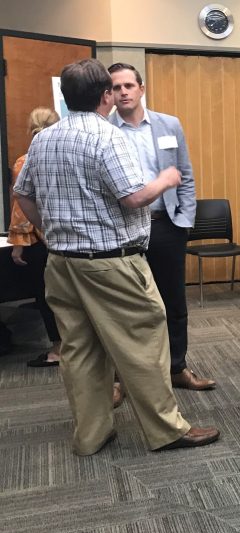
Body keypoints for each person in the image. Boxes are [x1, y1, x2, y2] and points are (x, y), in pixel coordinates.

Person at [12, 59, 219, 455]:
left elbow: (23, 193)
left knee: (79, 349)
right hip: (112, 262)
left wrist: (52, 230)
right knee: (143, 342)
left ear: (66, 97)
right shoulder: (108, 138)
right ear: (106, 95)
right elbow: (133, 197)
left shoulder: (44, 139)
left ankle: (92, 434)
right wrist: (166, 179)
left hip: (61, 263)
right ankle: (166, 430)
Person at [108, 62, 216, 391]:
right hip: (124, 229)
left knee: (172, 302)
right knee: (124, 306)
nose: (123, 92)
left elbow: (185, 172)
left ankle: (176, 368)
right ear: (109, 95)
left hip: (166, 225)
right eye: (116, 87)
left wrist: (185, 219)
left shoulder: (169, 125)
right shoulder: (105, 130)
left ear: (141, 89)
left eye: (129, 85)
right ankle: (121, 378)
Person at [8, 107, 62, 368]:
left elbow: (21, 208)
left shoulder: (25, 161)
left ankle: (57, 350)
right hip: (67, 238)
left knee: (46, 296)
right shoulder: (66, 159)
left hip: (39, 242)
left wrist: (17, 244)